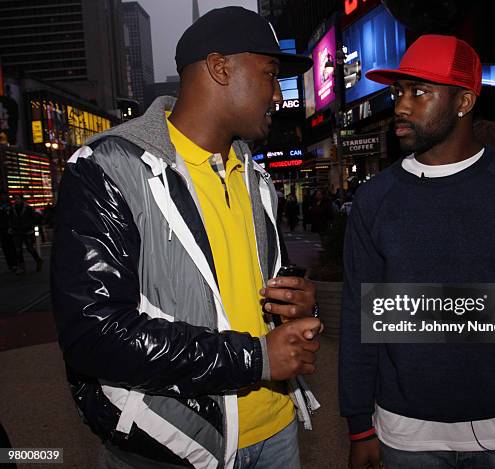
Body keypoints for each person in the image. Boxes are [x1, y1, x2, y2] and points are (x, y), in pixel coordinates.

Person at [51, 7, 322, 469]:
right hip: (175, 442)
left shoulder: (255, 176)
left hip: (278, 429)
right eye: (270, 74)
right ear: (220, 68)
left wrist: (299, 305)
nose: (278, 94)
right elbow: (93, 333)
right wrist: (254, 359)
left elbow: (244, 298)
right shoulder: (109, 168)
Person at [339, 35, 495, 469]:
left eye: (419, 92)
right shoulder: (375, 199)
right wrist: (359, 425)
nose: (402, 107)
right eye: (399, 92)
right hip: (404, 431)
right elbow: (359, 316)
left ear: (464, 101)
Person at [9, 194, 43, 273]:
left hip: (27, 231)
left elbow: (34, 218)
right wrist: (11, 226)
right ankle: (22, 267)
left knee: (30, 248)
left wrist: (29, 225)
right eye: (15, 199)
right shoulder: (12, 209)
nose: (16, 200)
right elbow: (10, 219)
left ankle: (38, 261)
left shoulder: (28, 208)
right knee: (18, 250)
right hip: (16, 231)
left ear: (21, 199)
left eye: (18, 198)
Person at [0, 193, 17, 272]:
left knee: (12, 247)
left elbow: (13, 217)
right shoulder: (8, 206)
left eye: (4, 196)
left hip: (10, 229)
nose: (3, 197)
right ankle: (11, 264)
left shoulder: (11, 207)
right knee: (6, 248)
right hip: (3, 229)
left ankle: (14, 264)